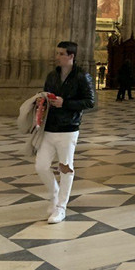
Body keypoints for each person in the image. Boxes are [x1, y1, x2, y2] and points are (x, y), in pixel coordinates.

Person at [35, 41, 94, 223]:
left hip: (68, 128)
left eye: (61, 54)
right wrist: (42, 101)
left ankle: (61, 207)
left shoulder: (82, 76)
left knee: (66, 168)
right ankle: (54, 194)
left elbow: (89, 101)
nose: (57, 57)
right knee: (41, 166)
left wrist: (65, 103)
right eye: (57, 53)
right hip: (49, 127)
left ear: (71, 56)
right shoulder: (52, 75)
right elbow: (46, 94)